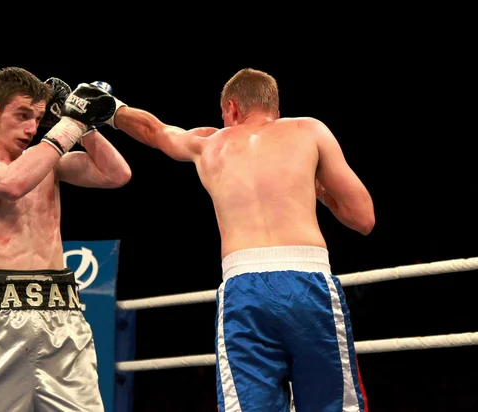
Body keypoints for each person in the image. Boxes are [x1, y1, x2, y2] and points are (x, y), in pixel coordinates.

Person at [85, 68, 375, 411]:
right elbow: (363, 218)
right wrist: (320, 192)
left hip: (244, 289)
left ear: (232, 108)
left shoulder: (210, 143)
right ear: (275, 107)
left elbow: (154, 130)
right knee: (332, 405)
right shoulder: (308, 130)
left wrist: (112, 107)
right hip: (308, 283)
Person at [0, 67, 132, 411]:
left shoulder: (48, 163)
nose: (31, 128)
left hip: (63, 318)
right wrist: (69, 124)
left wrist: (81, 121)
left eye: (39, 117)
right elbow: (11, 185)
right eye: (22, 115)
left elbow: (116, 174)